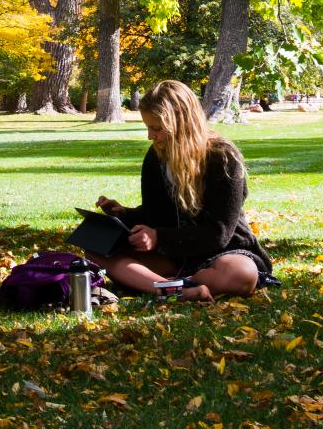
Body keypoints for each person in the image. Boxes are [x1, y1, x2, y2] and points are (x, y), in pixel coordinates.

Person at [92, 80, 275, 302]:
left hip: (224, 252)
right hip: (175, 254)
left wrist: (159, 237)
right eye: (148, 127)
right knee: (96, 251)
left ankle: (162, 283)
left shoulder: (223, 158)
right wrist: (121, 213)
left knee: (241, 276)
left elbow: (219, 233)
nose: (151, 136)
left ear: (181, 123)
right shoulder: (156, 157)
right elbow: (155, 214)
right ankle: (181, 290)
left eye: (157, 128)